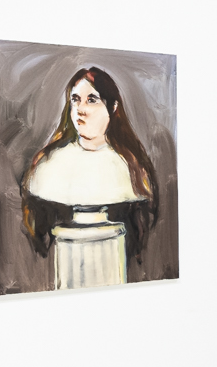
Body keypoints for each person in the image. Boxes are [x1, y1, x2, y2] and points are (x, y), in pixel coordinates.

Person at [22, 66, 159, 289]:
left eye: (92, 100)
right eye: (75, 100)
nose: (81, 110)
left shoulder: (129, 168)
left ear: (113, 108)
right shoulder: (49, 165)